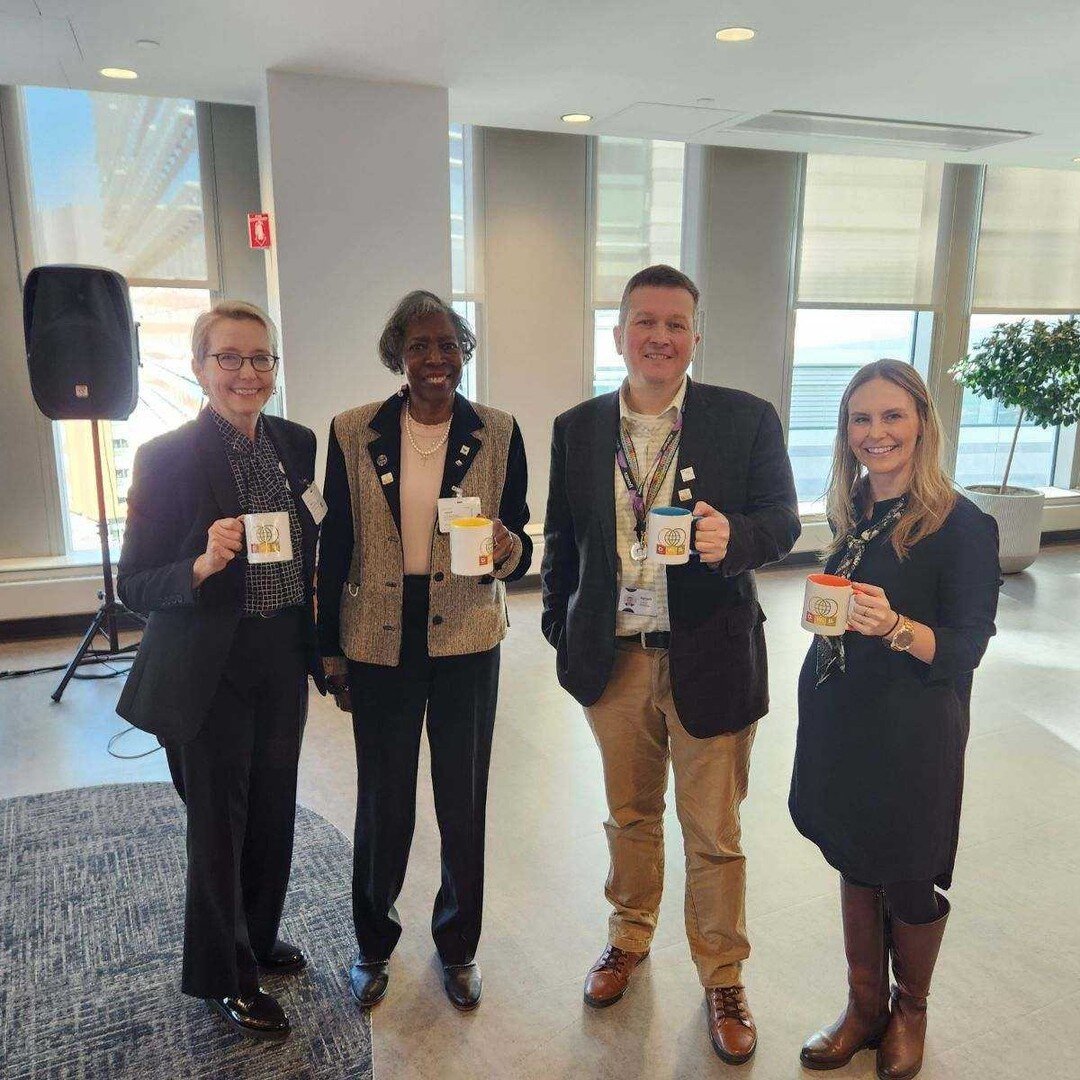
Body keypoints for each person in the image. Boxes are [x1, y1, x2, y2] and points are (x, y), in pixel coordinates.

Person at [541, 265, 800, 1064]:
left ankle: (723, 976)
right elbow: (560, 542)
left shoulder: (744, 419)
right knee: (629, 817)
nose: (660, 336)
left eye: (676, 324)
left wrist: (740, 542)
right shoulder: (578, 427)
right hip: (612, 661)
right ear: (619, 335)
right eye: (644, 322)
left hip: (711, 656)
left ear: (695, 338)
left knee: (714, 832)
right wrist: (561, 623)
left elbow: (783, 521)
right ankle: (628, 937)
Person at [317, 290, 531, 1012]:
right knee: (384, 799)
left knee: (463, 798)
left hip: (468, 633)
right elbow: (335, 541)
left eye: (448, 345)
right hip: (378, 631)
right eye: (419, 346)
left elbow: (520, 540)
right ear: (397, 355)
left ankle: (459, 946)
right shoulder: (353, 431)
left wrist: (509, 547)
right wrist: (330, 650)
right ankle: (372, 942)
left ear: (464, 351)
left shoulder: (498, 432)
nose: (435, 359)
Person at [116, 300, 325, 1041]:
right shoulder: (165, 457)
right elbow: (133, 583)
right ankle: (222, 975)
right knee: (218, 824)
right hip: (206, 665)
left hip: (279, 654)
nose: (248, 373)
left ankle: (259, 940)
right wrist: (201, 562)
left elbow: (311, 543)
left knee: (273, 808)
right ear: (200, 368)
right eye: (229, 358)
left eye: (261, 358)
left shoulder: (295, 444)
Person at [790, 359, 1000, 1080]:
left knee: (908, 869)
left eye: (891, 417)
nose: (875, 433)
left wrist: (895, 627)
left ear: (922, 424)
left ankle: (910, 1011)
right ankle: (864, 1006)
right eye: (860, 419)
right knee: (855, 854)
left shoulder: (962, 524)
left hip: (914, 731)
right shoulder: (854, 508)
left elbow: (967, 646)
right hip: (842, 719)